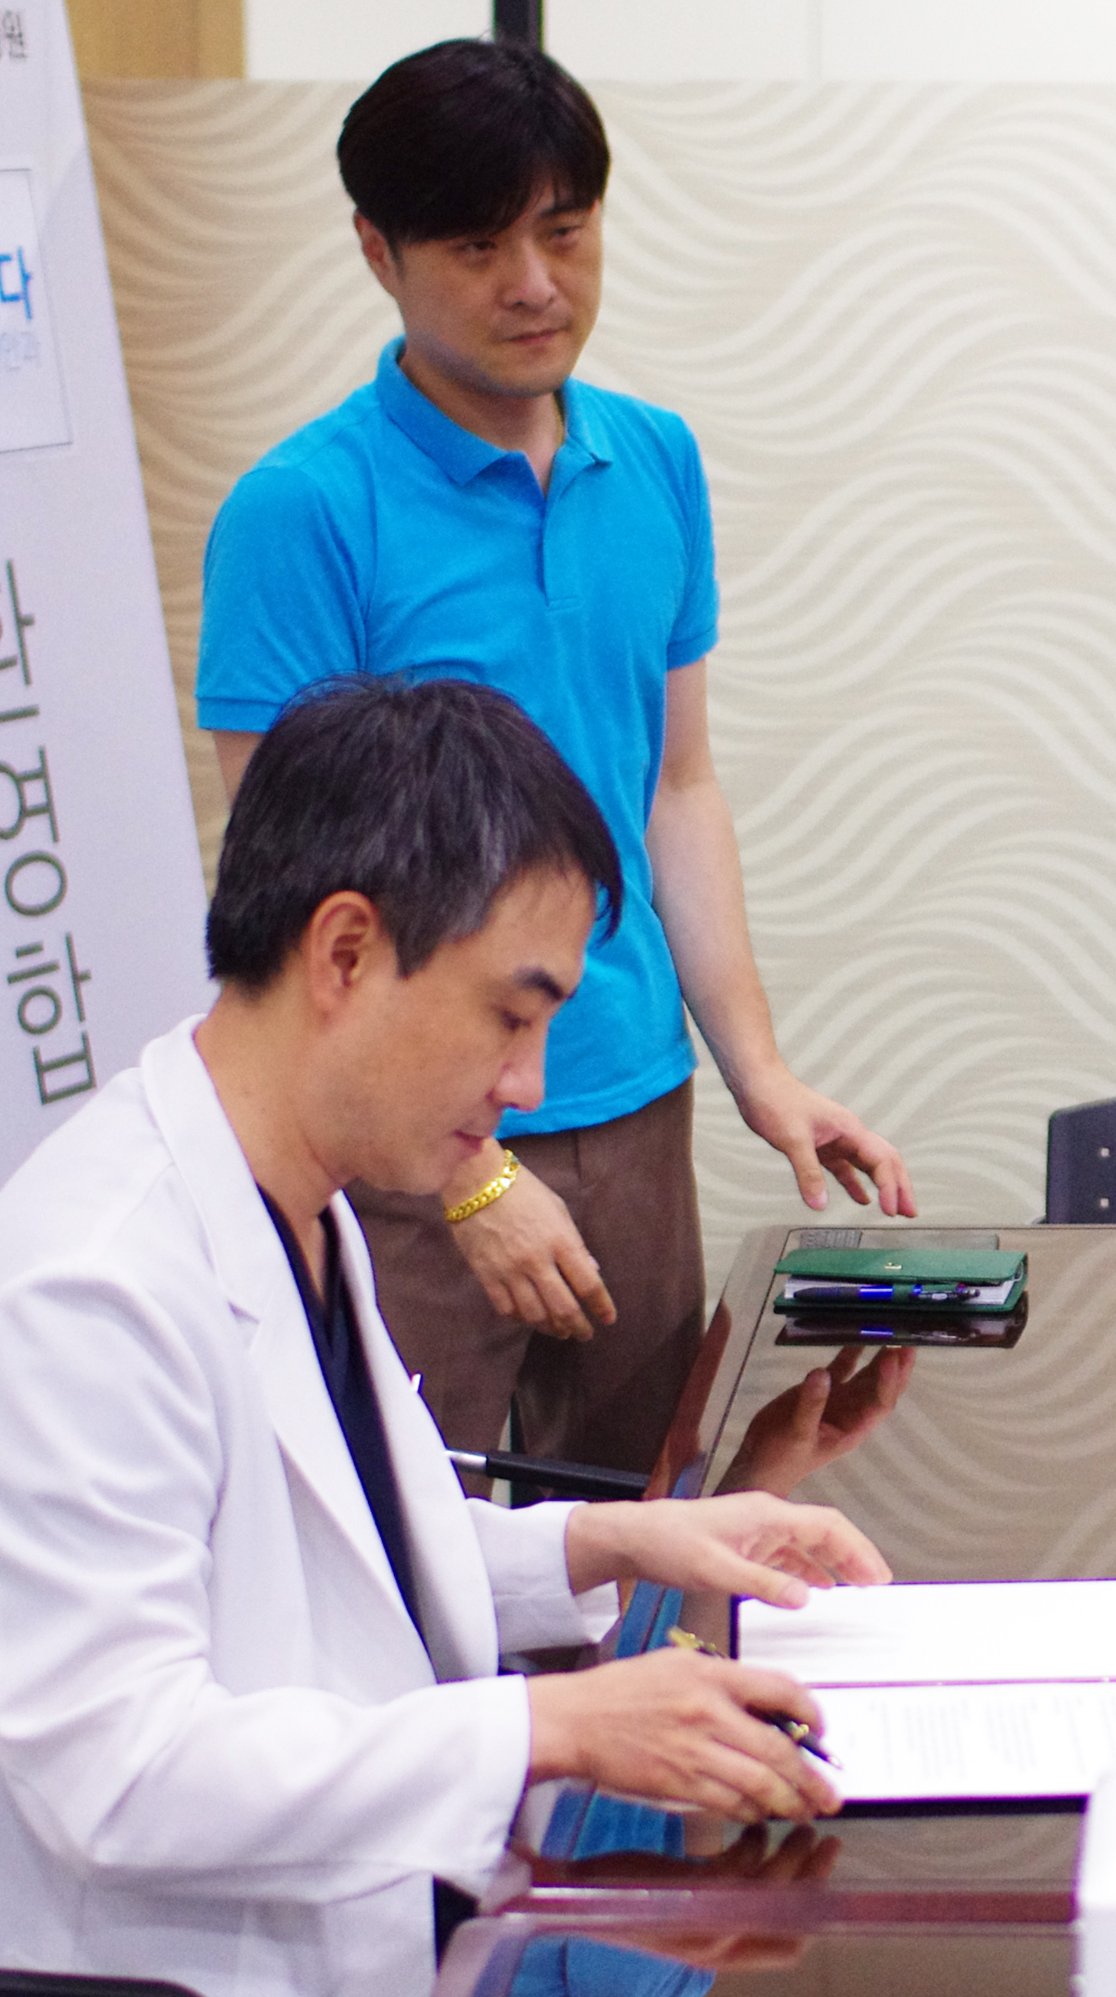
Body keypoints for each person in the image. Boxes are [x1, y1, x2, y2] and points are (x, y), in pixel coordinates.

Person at [0, 677, 891, 1997]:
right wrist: (549, 1727)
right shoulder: (87, 1292)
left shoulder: (296, 1199)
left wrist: (622, 1536)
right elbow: (121, 1772)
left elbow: (347, 1554)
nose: (529, 1084)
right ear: (344, 952)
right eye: (510, 1014)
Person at [197, 37, 911, 1483]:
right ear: (379, 253)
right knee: (404, 1548)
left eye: (565, 232)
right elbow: (301, 908)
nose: (535, 283)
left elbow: (675, 788)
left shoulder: (655, 460)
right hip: (408, 1147)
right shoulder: (303, 510)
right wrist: (473, 1182)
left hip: (631, 1100)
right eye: (478, 247)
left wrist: (760, 1071)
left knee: (643, 1520)